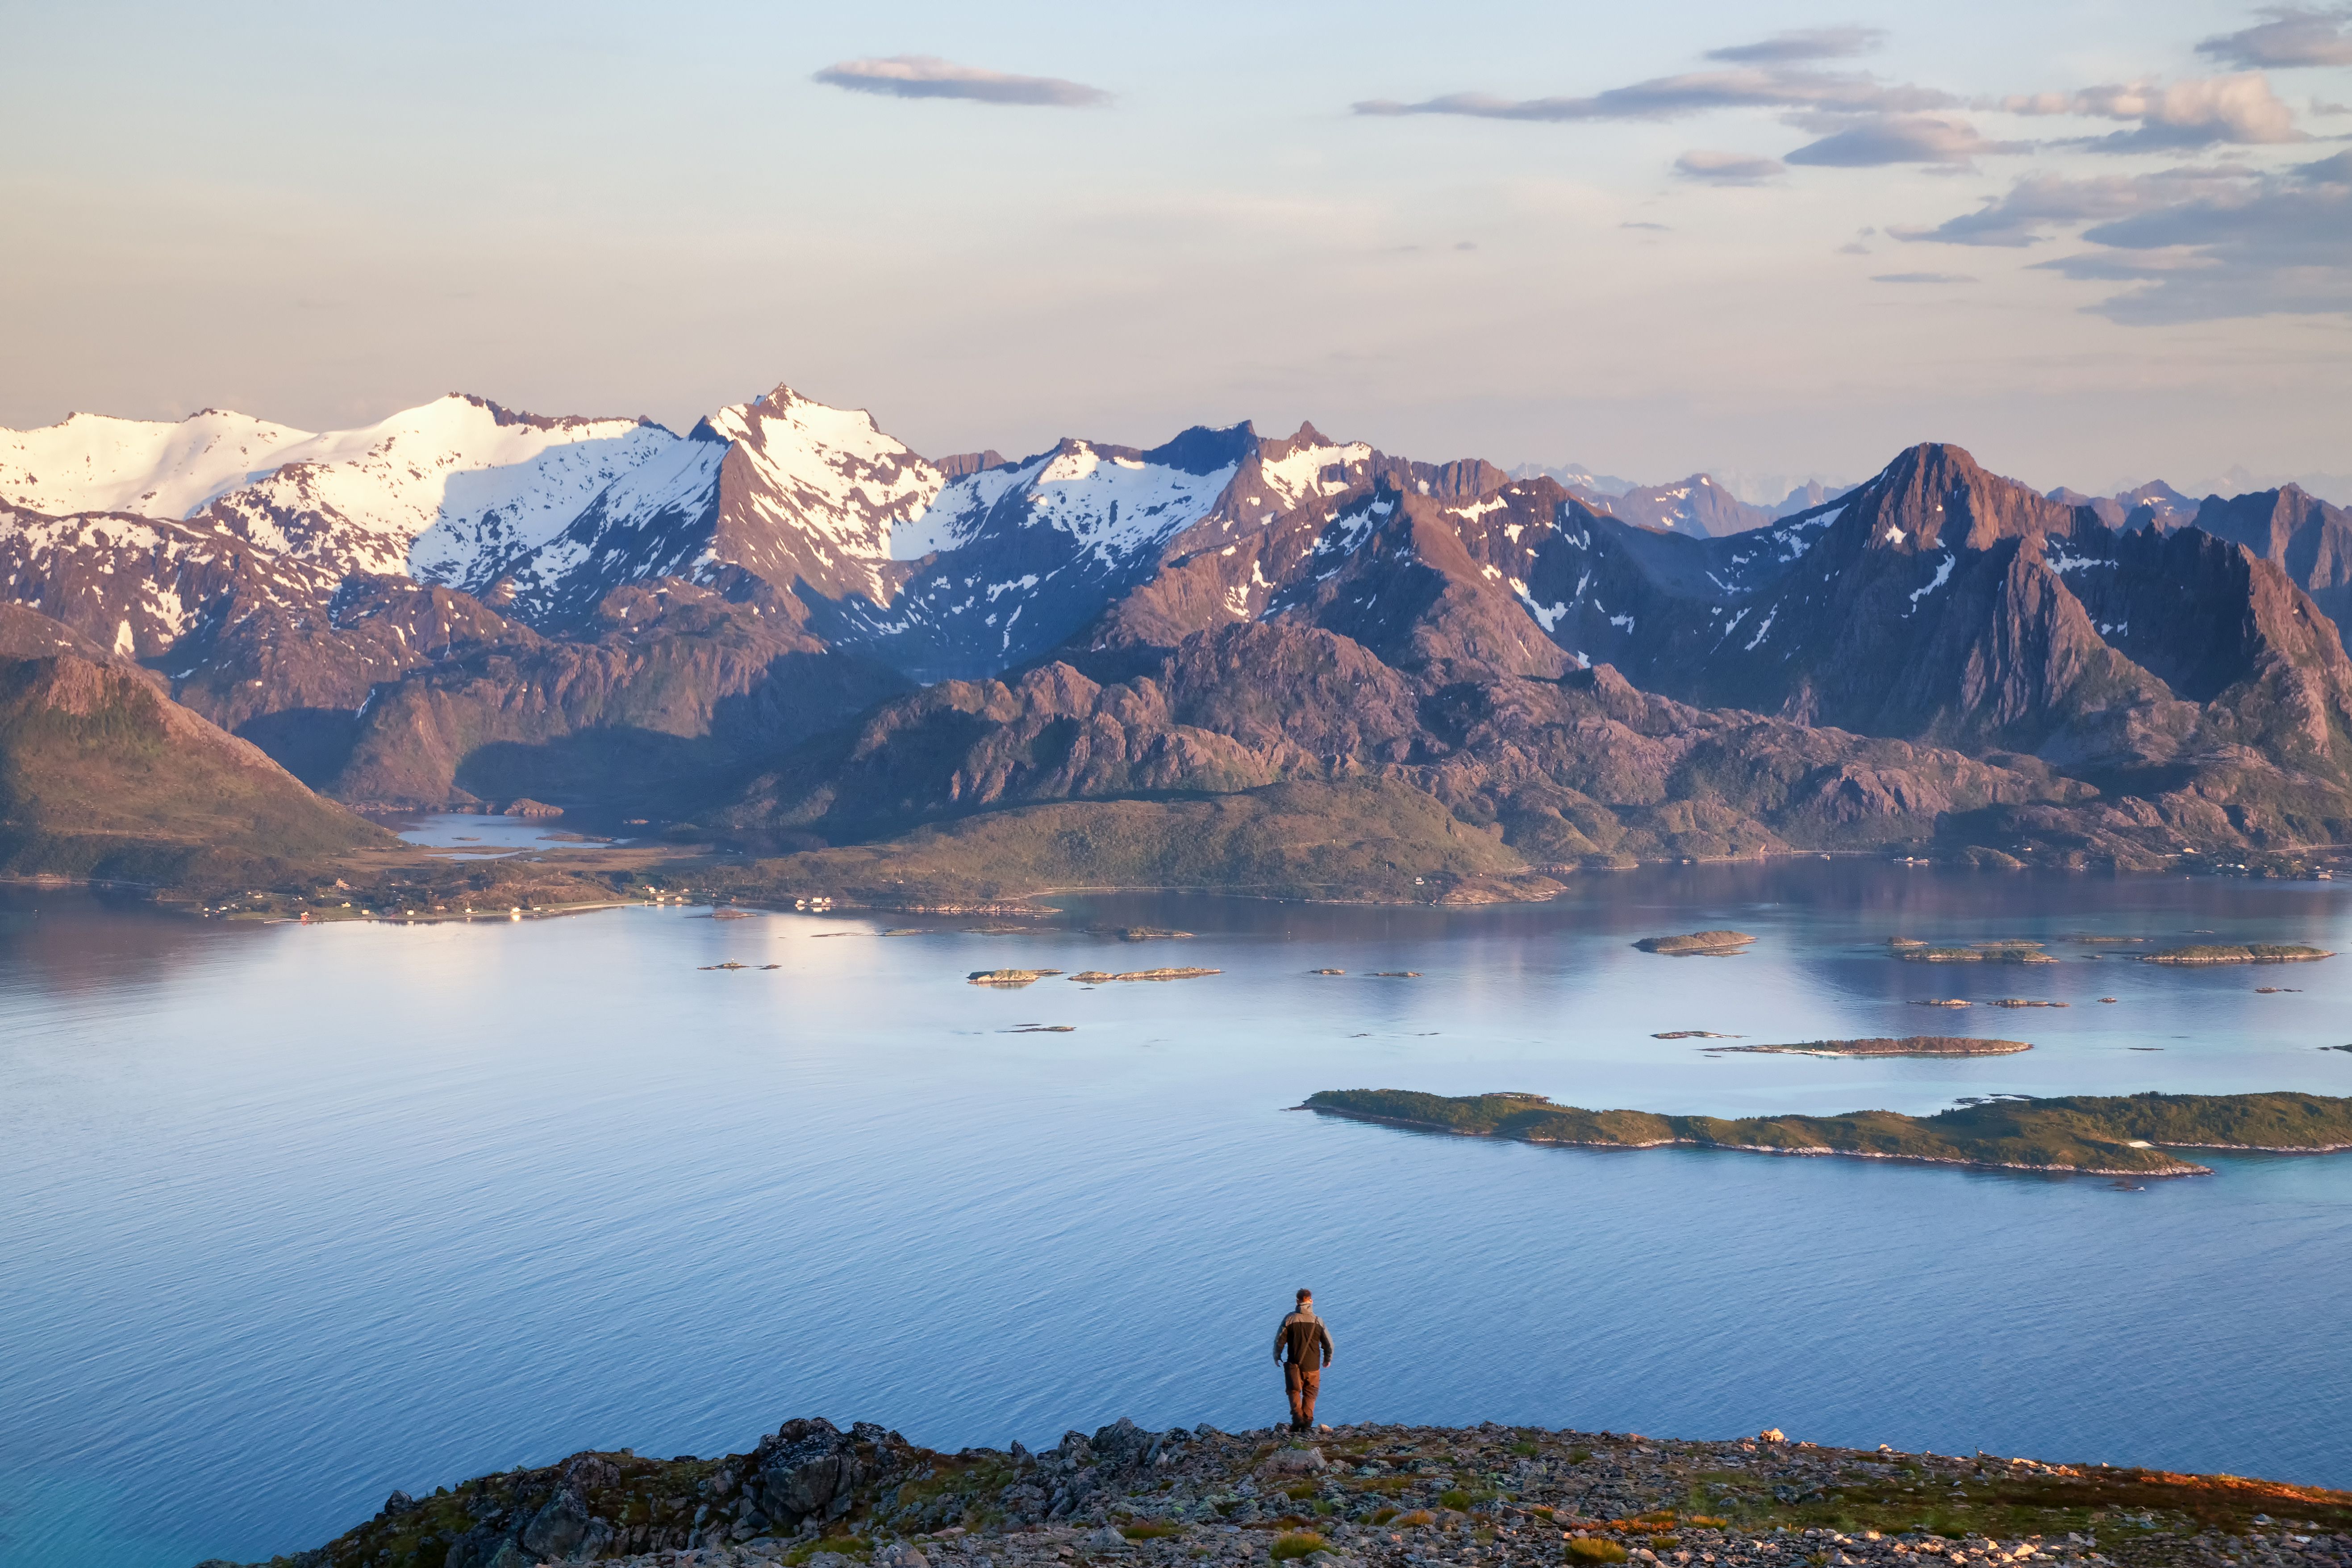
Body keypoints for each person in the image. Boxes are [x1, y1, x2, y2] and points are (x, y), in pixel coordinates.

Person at [1272, 1288, 1334, 1432]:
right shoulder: (1318, 1321)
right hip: (1313, 1366)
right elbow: (1329, 1344)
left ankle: (1298, 1419)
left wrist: (1277, 1355)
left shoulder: (1289, 1319)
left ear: (1297, 1301)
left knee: (1293, 1391)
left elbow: (1280, 1340)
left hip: (1294, 1364)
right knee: (1311, 1393)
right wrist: (1327, 1358)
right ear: (1311, 1301)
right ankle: (1307, 1423)